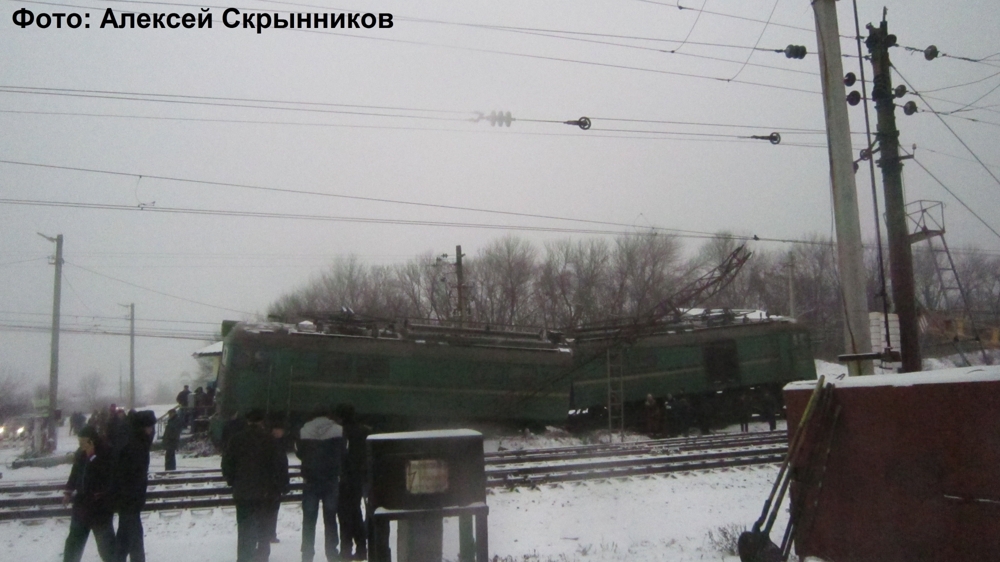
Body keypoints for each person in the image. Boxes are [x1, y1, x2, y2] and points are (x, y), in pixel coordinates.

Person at [222, 409, 288, 562]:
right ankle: (262, 556)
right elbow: (280, 465)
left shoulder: (236, 439)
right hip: (266, 493)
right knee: (263, 527)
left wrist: (233, 481)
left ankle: (244, 557)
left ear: (248, 421)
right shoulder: (270, 440)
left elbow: (227, 465)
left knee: (244, 529)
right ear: (262, 422)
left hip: (243, 491)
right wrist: (280, 486)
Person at [295, 407, 345, 562]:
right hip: (330, 480)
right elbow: (343, 452)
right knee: (330, 518)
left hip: (311, 480)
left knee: (309, 519)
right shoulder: (338, 430)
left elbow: (299, 452)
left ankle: (307, 554)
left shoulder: (303, 431)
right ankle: (332, 553)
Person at [62, 425, 116, 562]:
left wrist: (92, 457)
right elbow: (75, 474)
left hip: (99, 507)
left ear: (92, 441)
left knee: (106, 545)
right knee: (74, 543)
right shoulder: (80, 454)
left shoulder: (105, 452)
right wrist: (68, 491)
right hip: (81, 505)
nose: (80, 445)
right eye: (79, 442)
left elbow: (106, 475)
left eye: (83, 442)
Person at [114, 410, 157, 562]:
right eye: (150, 427)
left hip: (128, 500)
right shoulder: (136, 446)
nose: (152, 431)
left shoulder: (135, 442)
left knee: (124, 540)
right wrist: (133, 498)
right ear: (142, 428)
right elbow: (130, 475)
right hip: (130, 500)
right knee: (135, 541)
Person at [336, 403, 370, 561]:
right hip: (359, 478)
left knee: (344, 515)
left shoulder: (341, 433)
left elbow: (342, 456)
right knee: (355, 512)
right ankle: (362, 548)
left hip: (345, 479)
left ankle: (345, 550)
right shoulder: (364, 431)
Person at [264, 417, 290, 545]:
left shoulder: (271, 442)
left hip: (272, 482)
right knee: (271, 509)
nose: (279, 432)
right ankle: (269, 534)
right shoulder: (277, 444)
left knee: (271, 509)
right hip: (273, 482)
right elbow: (282, 465)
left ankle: (269, 533)